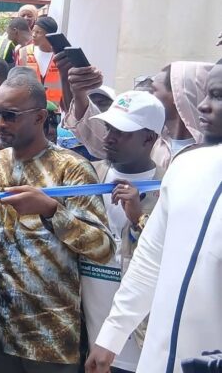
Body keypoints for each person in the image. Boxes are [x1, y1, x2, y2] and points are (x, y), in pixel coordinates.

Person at [0, 74, 114, 372]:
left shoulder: (72, 168)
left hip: (52, 335)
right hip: (0, 328)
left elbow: (102, 248)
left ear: (39, 117)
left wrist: (51, 211)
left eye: (10, 116)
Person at [85, 62, 222, 372]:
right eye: (206, 94)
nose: (203, 105)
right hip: (158, 359)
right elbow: (150, 260)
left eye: (218, 96)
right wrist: (112, 336)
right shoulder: (186, 168)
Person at [76, 91, 166, 373]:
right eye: (109, 128)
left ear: (149, 139)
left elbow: (169, 261)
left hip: (137, 347)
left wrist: (140, 218)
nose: (109, 138)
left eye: (122, 132)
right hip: (83, 337)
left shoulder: (170, 189)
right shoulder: (85, 176)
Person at [62, 60, 213, 170]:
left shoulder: (209, 153)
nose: (147, 95)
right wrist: (79, 92)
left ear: (178, 96)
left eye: (154, 90)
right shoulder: (153, 139)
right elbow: (97, 136)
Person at [15, 16, 61, 104]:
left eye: (38, 32)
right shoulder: (23, 52)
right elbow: (17, 80)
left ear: (49, 35)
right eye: (33, 31)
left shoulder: (60, 55)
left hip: (56, 108)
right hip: (29, 105)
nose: (33, 35)